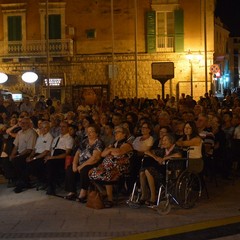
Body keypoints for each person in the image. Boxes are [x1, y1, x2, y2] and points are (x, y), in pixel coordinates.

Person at [89, 124, 133, 208]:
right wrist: (111, 150)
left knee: (107, 174)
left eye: (118, 132)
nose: (115, 134)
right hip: (107, 166)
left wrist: (110, 150)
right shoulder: (113, 144)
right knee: (90, 172)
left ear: (124, 134)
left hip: (119, 168)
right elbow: (102, 154)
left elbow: (119, 152)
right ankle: (103, 192)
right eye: (115, 132)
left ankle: (110, 199)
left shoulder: (127, 144)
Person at [64, 124, 104, 202]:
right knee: (70, 169)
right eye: (87, 132)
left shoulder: (99, 142)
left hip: (92, 163)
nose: (88, 134)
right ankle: (72, 191)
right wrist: (74, 164)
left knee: (84, 170)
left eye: (91, 132)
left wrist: (81, 166)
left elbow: (95, 158)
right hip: (81, 163)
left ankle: (83, 192)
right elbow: (77, 153)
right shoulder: (84, 141)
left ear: (97, 133)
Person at [141, 133, 182, 205]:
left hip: (171, 170)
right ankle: (144, 194)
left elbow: (178, 155)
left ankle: (153, 197)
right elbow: (147, 151)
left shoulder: (176, 148)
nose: (163, 142)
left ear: (171, 141)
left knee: (148, 171)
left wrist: (165, 158)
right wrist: (156, 157)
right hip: (162, 168)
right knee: (142, 172)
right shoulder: (163, 150)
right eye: (162, 140)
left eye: (165, 140)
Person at [44, 121, 74, 195]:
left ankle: (51, 187)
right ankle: (47, 183)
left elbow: (67, 153)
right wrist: (48, 157)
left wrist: (52, 158)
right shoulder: (56, 138)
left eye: (63, 126)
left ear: (68, 128)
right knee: (41, 162)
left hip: (61, 158)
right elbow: (51, 149)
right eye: (60, 126)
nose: (61, 128)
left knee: (50, 163)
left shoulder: (69, 139)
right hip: (53, 156)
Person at [9, 117, 38, 193]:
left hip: (29, 153)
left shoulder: (32, 133)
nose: (22, 124)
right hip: (21, 153)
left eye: (25, 123)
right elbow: (16, 146)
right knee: (11, 159)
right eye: (22, 122)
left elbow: (29, 149)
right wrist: (12, 155)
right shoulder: (19, 133)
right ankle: (25, 182)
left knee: (17, 161)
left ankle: (20, 184)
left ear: (29, 124)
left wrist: (17, 156)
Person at [25, 121, 53, 188]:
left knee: (33, 164)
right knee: (24, 162)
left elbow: (46, 151)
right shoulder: (40, 136)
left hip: (43, 156)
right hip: (37, 154)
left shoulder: (49, 137)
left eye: (45, 127)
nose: (43, 129)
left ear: (49, 128)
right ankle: (26, 182)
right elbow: (35, 149)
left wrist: (34, 158)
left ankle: (42, 181)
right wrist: (30, 156)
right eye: (42, 127)